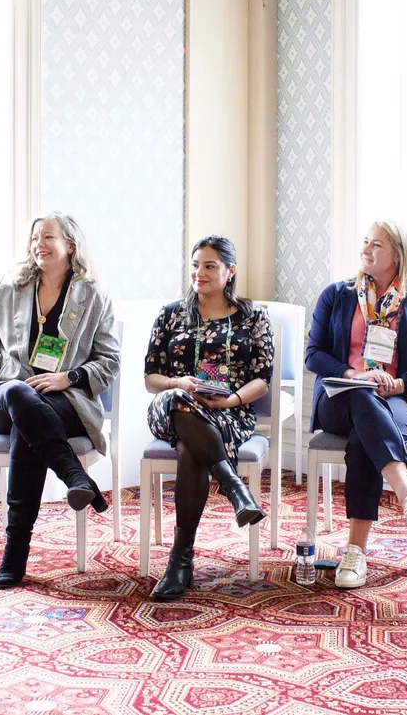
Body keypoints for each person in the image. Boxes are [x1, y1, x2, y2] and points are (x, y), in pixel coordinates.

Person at [0, 213, 121, 590]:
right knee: (21, 393)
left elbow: (110, 361)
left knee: (29, 426)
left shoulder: (93, 296)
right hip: (8, 395)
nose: (39, 244)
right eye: (35, 238)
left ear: (71, 245)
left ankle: (14, 554)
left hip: (64, 400)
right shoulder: (9, 289)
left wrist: (67, 377)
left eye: (48, 236)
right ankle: (75, 477)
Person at [305, 221, 407, 589]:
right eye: (365, 241)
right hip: (340, 396)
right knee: (363, 399)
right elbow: (313, 355)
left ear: (398, 255)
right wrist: (352, 374)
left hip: (397, 399)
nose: (366, 249)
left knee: (365, 437)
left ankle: (355, 553)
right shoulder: (336, 295)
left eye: (377, 244)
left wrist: (400, 383)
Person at [143, 235, 274, 600]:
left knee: (190, 451)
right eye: (195, 265)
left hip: (229, 412)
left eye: (210, 266)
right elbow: (151, 378)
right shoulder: (170, 314)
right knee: (181, 402)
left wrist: (230, 399)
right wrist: (178, 382)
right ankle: (234, 488)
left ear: (230, 271)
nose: (199, 273)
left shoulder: (254, 317)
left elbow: (262, 379)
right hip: (170, 407)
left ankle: (180, 561)